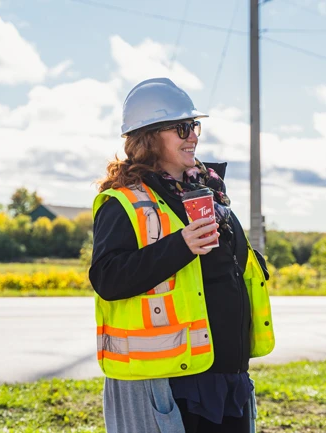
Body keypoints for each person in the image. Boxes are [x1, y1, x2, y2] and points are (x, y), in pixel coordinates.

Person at [89, 77, 275, 433]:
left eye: (195, 126)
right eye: (182, 128)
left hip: (227, 377)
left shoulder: (210, 196)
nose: (193, 136)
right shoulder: (123, 202)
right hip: (172, 384)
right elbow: (108, 278)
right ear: (149, 137)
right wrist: (180, 246)